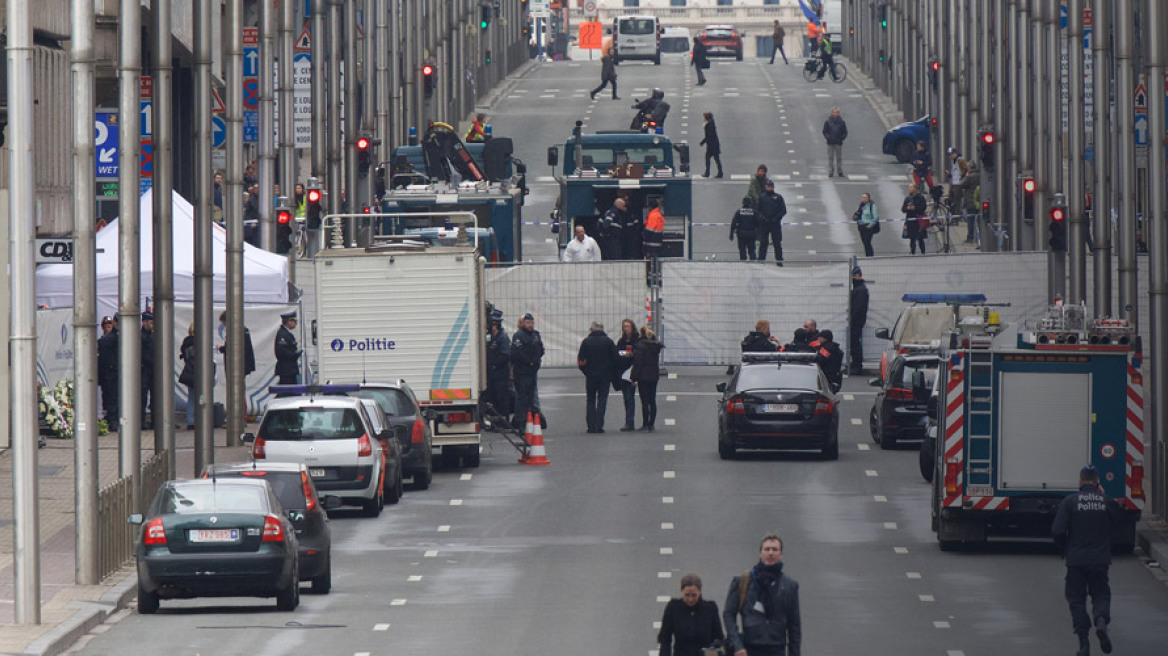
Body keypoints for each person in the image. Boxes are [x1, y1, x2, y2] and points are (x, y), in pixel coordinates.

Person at [1052, 464, 1122, 656]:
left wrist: (1064, 547)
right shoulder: (1106, 501)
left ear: (1080, 481)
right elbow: (1119, 521)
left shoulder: (1070, 502)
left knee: (1076, 600)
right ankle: (1100, 621)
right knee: (1101, 594)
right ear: (1097, 481)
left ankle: (1084, 644)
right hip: (1100, 559)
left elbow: (1057, 530)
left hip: (1076, 560)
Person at [724, 533, 802, 656]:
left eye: (775, 549)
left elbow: (794, 626)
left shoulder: (790, 586)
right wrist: (737, 644)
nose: (770, 553)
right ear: (760, 553)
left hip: (776, 649)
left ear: (781, 554)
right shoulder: (743, 582)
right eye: (767, 549)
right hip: (749, 649)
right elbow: (729, 614)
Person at [658, 573, 724, 656]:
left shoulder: (710, 609)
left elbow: (718, 638)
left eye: (694, 595)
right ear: (681, 591)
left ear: (700, 591)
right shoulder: (673, 608)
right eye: (687, 595)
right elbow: (665, 639)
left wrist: (710, 653)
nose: (690, 599)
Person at [578, 321, 618, 433]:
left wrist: (586, 371)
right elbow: (615, 358)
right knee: (602, 400)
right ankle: (599, 425)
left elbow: (581, 360)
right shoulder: (609, 342)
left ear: (592, 329)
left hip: (591, 375)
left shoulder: (586, 342)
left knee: (590, 399)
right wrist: (611, 371)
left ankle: (591, 425)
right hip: (605, 375)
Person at [511, 312, 545, 429]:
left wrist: (535, 361)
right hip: (522, 371)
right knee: (522, 397)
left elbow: (540, 349)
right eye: (528, 322)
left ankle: (531, 420)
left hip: (532, 371)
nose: (530, 325)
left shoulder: (535, 335)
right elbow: (516, 353)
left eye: (531, 322)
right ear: (523, 323)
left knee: (531, 397)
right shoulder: (519, 336)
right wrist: (528, 361)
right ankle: (520, 422)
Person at [631, 326, 662, 431]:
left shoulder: (641, 345)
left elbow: (638, 363)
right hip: (654, 375)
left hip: (643, 376)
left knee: (644, 400)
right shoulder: (656, 345)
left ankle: (645, 423)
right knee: (652, 399)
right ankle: (651, 424)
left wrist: (633, 377)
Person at [614, 319, 639, 432]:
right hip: (623, 372)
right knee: (626, 398)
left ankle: (630, 422)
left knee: (630, 397)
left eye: (628, 326)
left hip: (633, 372)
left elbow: (639, 356)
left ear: (632, 327)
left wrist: (632, 354)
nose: (626, 329)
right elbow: (616, 355)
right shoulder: (621, 341)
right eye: (624, 326)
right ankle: (628, 421)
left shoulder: (636, 340)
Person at [217, 311, 256, 380]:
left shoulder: (236, 331)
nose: (224, 325)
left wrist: (221, 348)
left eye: (224, 322)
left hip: (236, 365)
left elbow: (232, 348)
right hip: (242, 364)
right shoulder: (242, 330)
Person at [756, 179, 787, 266]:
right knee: (763, 244)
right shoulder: (762, 197)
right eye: (768, 186)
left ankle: (779, 261)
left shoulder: (778, 197)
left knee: (777, 243)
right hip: (764, 224)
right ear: (766, 187)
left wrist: (776, 218)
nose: (769, 188)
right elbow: (758, 211)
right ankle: (761, 261)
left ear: (773, 187)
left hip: (775, 224)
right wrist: (762, 218)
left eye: (771, 186)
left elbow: (783, 210)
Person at [98, 316, 119, 426]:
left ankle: (113, 419)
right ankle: (111, 420)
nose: (107, 329)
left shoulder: (114, 338)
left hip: (114, 372)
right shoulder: (106, 340)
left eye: (109, 326)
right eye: (106, 326)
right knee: (110, 397)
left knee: (114, 397)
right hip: (108, 373)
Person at [848, 267, 869, 375]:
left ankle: (857, 365)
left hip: (857, 321)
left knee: (855, 343)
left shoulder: (860, 290)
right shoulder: (860, 289)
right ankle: (855, 364)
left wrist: (853, 318)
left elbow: (859, 307)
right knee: (854, 342)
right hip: (857, 320)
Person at [274, 310, 301, 385]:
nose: (296, 323)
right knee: (287, 391)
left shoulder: (287, 333)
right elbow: (282, 351)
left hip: (290, 369)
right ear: (289, 321)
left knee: (292, 391)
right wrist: (294, 355)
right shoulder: (282, 334)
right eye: (294, 321)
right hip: (286, 369)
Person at [902, 183, 929, 255]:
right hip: (911, 220)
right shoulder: (907, 198)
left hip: (919, 220)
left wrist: (915, 208)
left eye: (911, 187)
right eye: (909, 187)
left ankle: (923, 253)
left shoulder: (921, 198)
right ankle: (912, 253)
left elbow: (923, 207)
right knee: (912, 238)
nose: (910, 189)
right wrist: (907, 208)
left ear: (915, 189)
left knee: (920, 238)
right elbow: (903, 209)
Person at [179, 324, 197, 429]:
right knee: (201, 397)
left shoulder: (186, 342)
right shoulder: (199, 341)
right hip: (199, 371)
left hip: (189, 372)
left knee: (191, 397)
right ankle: (200, 419)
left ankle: (191, 421)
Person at [729, 197, 758, 261]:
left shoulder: (739, 212)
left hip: (741, 234)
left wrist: (731, 234)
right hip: (751, 234)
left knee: (742, 251)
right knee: (752, 251)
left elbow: (733, 223)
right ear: (750, 203)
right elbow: (758, 224)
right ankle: (754, 266)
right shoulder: (754, 212)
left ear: (742, 203)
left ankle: (743, 265)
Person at [852, 192, 880, 257]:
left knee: (867, 242)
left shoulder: (872, 206)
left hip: (869, 227)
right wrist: (855, 217)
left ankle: (870, 256)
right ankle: (867, 255)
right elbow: (859, 214)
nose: (863, 199)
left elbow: (876, 217)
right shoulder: (861, 206)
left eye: (865, 197)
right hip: (862, 227)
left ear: (868, 198)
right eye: (862, 197)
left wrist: (870, 225)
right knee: (864, 243)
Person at [822, 107, 848, 178]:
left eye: (836, 112)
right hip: (830, 142)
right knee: (830, 157)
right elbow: (824, 131)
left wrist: (841, 138)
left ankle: (839, 171)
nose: (835, 113)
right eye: (834, 112)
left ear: (838, 113)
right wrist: (828, 137)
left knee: (839, 157)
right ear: (832, 113)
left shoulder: (842, 122)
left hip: (838, 142)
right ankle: (830, 171)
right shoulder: (828, 121)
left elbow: (845, 132)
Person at [140, 311, 156, 428]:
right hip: (144, 370)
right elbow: (142, 354)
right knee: (142, 398)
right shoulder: (141, 336)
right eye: (150, 322)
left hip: (153, 370)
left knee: (155, 397)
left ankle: (155, 421)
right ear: (144, 322)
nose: (152, 325)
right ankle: (141, 421)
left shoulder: (153, 335)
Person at [700, 112, 723, 178]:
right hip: (714, 144)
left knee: (709, 158)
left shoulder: (708, 125)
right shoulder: (711, 123)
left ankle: (708, 173)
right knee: (716, 159)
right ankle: (720, 172)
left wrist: (702, 142)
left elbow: (708, 136)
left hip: (712, 145)